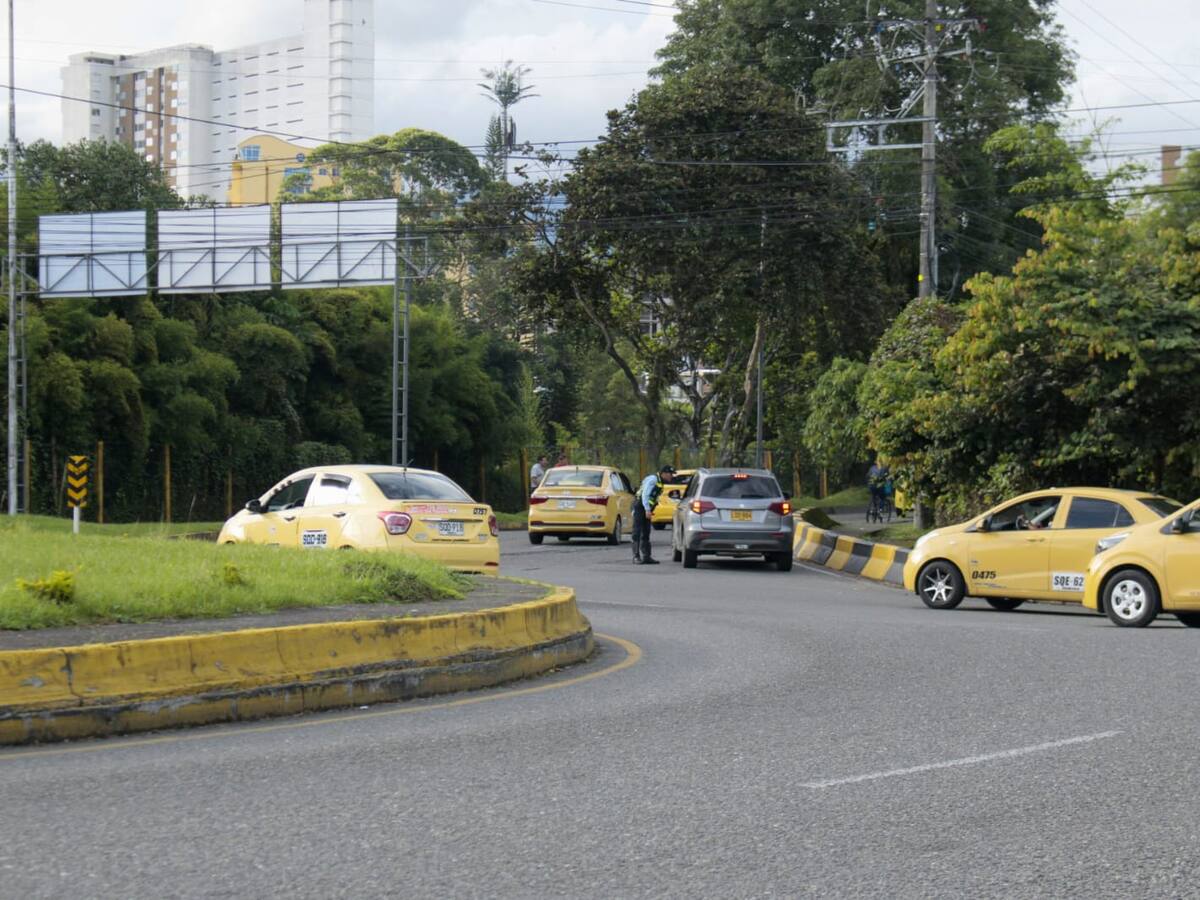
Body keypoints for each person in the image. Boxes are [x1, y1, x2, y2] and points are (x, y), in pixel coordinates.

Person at [633, 465, 675, 564]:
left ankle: (646, 556)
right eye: (670, 474)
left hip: (646, 508)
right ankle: (636, 556)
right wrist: (647, 509)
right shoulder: (653, 479)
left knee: (646, 531)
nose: (671, 476)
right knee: (637, 531)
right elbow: (645, 495)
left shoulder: (660, 482)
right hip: (640, 506)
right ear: (664, 473)